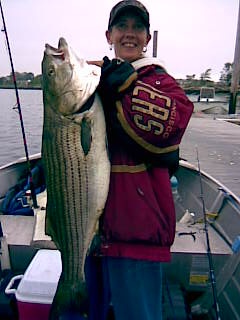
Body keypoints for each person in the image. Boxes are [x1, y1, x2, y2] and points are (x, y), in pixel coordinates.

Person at [87, 1, 194, 319]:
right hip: (91, 232)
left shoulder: (160, 82)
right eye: (122, 27)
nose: (129, 34)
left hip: (137, 235)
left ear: (148, 38)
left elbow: (174, 121)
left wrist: (125, 89)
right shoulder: (95, 81)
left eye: (138, 28)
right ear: (109, 35)